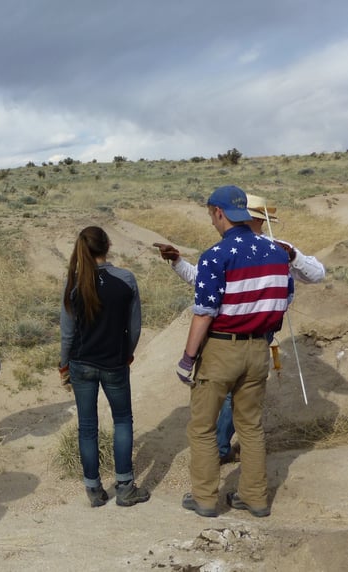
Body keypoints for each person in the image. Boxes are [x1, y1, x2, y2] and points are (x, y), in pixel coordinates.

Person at [156, 193, 324, 463]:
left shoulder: (277, 250)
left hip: (239, 336)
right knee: (242, 407)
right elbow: (202, 281)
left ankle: (218, 452)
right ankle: (231, 460)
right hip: (254, 336)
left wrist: (293, 256)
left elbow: (317, 274)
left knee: (229, 396)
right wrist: (178, 262)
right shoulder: (233, 250)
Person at [175, 186, 293, 518]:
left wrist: (187, 359)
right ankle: (255, 498)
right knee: (251, 427)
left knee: (202, 427)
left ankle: (206, 498)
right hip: (259, 349)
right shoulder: (278, 253)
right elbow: (284, 300)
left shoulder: (215, 255)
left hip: (221, 350)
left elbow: (204, 312)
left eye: (211, 215)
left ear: (218, 213)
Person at [59, 226, 149, 507]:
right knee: (122, 420)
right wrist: (128, 354)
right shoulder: (125, 280)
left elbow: (67, 332)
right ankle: (125, 487)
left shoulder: (75, 282)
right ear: (108, 245)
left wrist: (64, 364)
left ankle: (94, 490)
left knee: (87, 426)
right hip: (114, 363)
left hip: (81, 363)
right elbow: (134, 328)